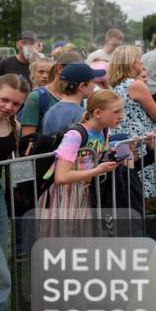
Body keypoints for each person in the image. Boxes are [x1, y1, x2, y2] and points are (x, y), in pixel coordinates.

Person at [37, 90, 123, 236]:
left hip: (85, 192)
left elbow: (98, 159)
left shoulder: (104, 130)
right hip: (65, 196)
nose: (122, 116)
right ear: (97, 113)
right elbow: (61, 177)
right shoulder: (74, 135)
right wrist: (98, 170)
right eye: (116, 112)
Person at [0, 75, 29, 311]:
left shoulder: (13, 126)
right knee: (0, 276)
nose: (9, 107)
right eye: (4, 99)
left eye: (16, 104)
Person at [109, 46, 156, 201]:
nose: (141, 62)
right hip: (142, 141)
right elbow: (155, 116)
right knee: (144, 183)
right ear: (130, 62)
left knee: (130, 183)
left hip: (125, 141)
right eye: (138, 59)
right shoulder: (136, 84)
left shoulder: (116, 86)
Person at [19, 51, 82, 151]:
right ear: (60, 68)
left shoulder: (77, 96)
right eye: (75, 71)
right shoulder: (36, 97)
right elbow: (28, 140)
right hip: (44, 159)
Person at [41, 64, 104, 136]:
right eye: (93, 82)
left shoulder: (50, 112)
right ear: (82, 86)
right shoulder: (83, 115)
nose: (95, 85)